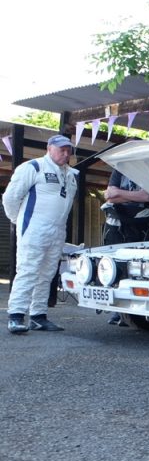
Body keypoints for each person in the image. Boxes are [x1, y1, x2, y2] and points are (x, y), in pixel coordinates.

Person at [2, 134, 79, 333]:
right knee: (28, 270)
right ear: (49, 148)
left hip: (57, 231)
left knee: (47, 274)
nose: (65, 153)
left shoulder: (71, 174)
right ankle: (16, 315)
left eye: (68, 150)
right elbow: (11, 198)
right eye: (61, 149)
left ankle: (38, 316)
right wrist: (18, 221)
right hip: (34, 229)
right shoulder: (33, 167)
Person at [101, 169, 149, 326]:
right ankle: (117, 311)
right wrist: (132, 196)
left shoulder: (148, 171)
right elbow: (108, 196)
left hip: (140, 225)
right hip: (117, 223)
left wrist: (118, 193)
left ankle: (132, 311)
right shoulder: (118, 171)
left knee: (135, 266)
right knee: (115, 264)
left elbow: (146, 196)